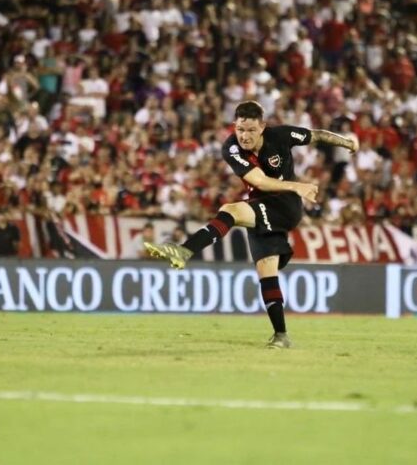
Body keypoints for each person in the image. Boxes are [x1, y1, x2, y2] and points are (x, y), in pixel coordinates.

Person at [145, 101, 358, 348]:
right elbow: (261, 181)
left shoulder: (281, 135)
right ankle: (281, 335)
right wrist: (298, 185)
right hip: (262, 205)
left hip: (285, 206)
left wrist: (348, 142)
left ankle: (184, 251)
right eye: (240, 130)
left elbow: (317, 135)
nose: (244, 136)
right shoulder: (231, 148)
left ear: (263, 127)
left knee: (230, 210)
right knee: (266, 270)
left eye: (250, 131)